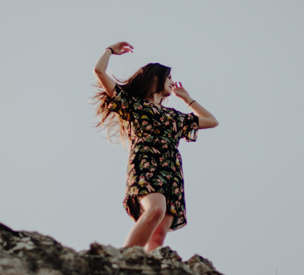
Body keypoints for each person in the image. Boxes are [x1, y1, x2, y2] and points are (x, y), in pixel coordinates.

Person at [93, 41, 218, 252]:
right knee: (155, 211)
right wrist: (110, 51)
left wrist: (187, 99)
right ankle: (123, 262)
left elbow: (211, 120)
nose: (172, 81)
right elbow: (99, 71)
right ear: (155, 77)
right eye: (168, 77)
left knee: (160, 233)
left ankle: (146, 273)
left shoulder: (174, 117)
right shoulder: (133, 104)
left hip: (171, 172)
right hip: (146, 163)